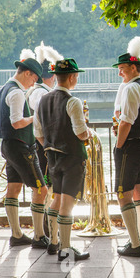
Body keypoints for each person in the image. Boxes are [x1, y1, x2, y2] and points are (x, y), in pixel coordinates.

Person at [34, 58, 91, 261]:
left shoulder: (43, 100)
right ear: (73, 77)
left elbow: (38, 134)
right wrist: (90, 133)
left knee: (56, 199)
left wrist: (51, 147)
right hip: (73, 159)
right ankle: (66, 251)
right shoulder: (72, 101)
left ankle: (54, 243)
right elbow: (81, 133)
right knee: (67, 204)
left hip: (53, 158)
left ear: (56, 77)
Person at [0, 50, 49, 249]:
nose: (33, 84)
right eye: (34, 79)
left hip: (8, 145)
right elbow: (17, 123)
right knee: (41, 189)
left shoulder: (4, 88)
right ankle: (38, 236)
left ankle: (17, 234)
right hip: (20, 146)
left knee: (14, 188)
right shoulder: (17, 92)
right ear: (27, 73)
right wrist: (36, 118)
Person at [112, 39, 140, 257]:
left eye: (121, 69)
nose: (120, 73)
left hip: (131, 147)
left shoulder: (131, 88)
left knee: (123, 194)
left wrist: (118, 147)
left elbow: (126, 121)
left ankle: (135, 244)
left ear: (132, 67)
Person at [26, 42, 63, 237]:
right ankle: (47, 231)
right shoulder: (41, 93)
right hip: (43, 146)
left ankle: (46, 230)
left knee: (47, 189)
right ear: (53, 75)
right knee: (47, 188)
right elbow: (46, 122)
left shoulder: (39, 91)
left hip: (43, 144)